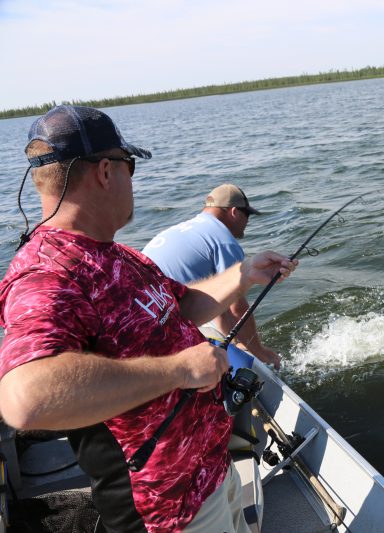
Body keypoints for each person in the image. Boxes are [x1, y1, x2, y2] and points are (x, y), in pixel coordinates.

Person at [0, 105, 297, 533]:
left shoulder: (119, 255)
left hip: (212, 473)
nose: (132, 181)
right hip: (168, 512)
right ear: (106, 171)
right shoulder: (47, 272)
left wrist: (245, 273)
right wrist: (180, 369)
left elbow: (184, 306)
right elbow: (25, 399)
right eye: (130, 166)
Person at [142, 183, 282, 368]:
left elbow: (219, 308)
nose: (247, 223)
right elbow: (237, 309)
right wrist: (261, 353)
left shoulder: (185, 228)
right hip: (159, 327)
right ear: (234, 212)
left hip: (141, 314)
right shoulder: (224, 241)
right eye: (247, 215)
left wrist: (237, 342)